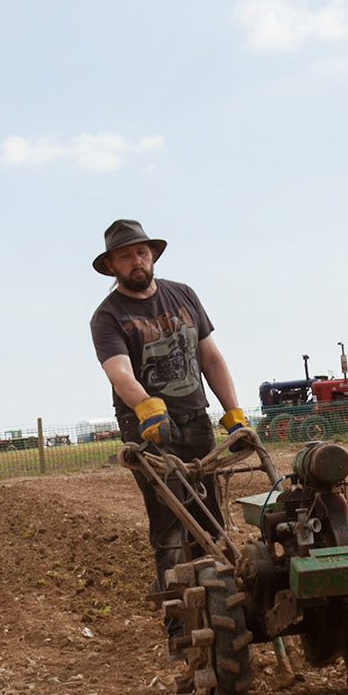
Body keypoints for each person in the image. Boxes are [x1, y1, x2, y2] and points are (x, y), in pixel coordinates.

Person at [89, 218, 249, 610]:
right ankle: (179, 617)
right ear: (111, 265)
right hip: (147, 429)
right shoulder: (108, 316)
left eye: (141, 252)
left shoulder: (184, 295)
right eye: (125, 256)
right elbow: (119, 372)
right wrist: (147, 408)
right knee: (171, 522)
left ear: (153, 255)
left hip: (196, 419)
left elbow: (210, 358)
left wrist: (234, 414)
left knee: (209, 517)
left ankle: (220, 603)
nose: (136, 261)